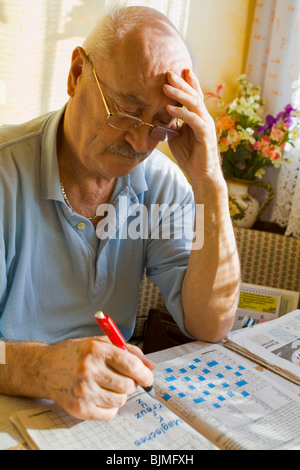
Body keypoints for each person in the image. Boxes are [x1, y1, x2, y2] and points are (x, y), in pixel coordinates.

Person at [0, 6, 240, 421]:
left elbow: (210, 324)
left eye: (163, 122)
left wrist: (210, 181)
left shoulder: (161, 183)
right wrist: (40, 368)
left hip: (106, 411)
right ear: (77, 74)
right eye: (125, 110)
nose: (140, 140)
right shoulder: (6, 175)